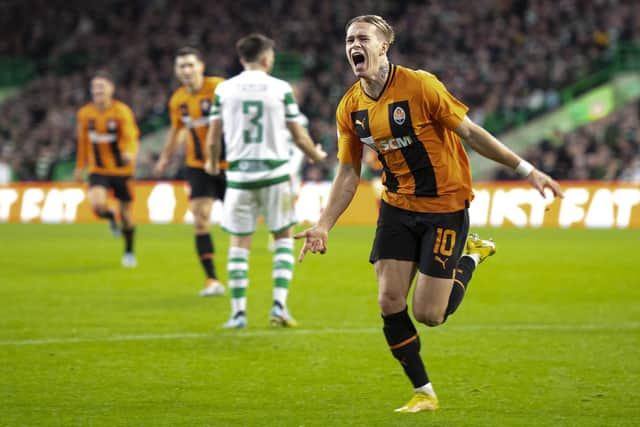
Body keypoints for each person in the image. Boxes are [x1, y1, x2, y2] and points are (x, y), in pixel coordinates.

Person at [295, 15, 564, 413]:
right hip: (396, 207)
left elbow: (471, 133)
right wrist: (323, 223)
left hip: (445, 208)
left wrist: (527, 171)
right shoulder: (349, 107)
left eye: (363, 38)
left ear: (384, 46)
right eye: (350, 39)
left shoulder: (421, 86)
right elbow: (349, 172)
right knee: (389, 300)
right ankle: (424, 392)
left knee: (430, 315)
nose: (355, 45)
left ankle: (471, 255)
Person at [205, 33, 327, 329]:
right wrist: (316, 155)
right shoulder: (280, 88)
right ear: (266, 58)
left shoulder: (224, 90)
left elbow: (213, 137)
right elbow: (298, 135)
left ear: (241, 58)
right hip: (275, 175)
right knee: (283, 238)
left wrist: (211, 162)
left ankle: (237, 313)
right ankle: (279, 306)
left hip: (239, 176)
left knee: (239, 244)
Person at [154, 47, 226, 297]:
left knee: (239, 221)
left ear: (201, 67)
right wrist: (165, 158)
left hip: (229, 164)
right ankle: (212, 280)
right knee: (200, 219)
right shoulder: (178, 100)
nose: (186, 70)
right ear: (176, 71)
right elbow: (176, 131)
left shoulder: (219, 88)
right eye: (181, 66)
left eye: (190, 65)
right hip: (197, 165)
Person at [74, 70, 139, 268]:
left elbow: (130, 135)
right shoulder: (85, 114)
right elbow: (84, 143)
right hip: (98, 169)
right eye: (95, 87)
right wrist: (79, 167)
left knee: (127, 216)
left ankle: (129, 251)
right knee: (96, 204)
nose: (98, 90)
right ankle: (109, 216)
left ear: (111, 89)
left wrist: (129, 152)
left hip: (121, 170)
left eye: (102, 86)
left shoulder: (121, 112)